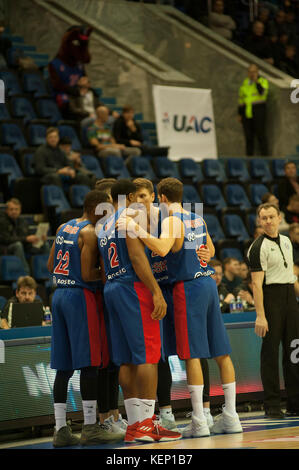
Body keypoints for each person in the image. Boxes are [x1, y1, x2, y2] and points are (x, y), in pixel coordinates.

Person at [119, 177, 243, 436]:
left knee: (192, 355)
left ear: (161, 197)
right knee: (222, 353)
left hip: (188, 287)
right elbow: (208, 247)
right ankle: (230, 416)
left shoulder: (172, 219)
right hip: (208, 282)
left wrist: (135, 228)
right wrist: (206, 254)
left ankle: (199, 420)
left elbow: (163, 249)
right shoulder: (197, 217)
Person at [97, 179, 182, 443]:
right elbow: (136, 257)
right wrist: (156, 291)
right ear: (131, 195)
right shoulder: (130, 214)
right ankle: (147, 424)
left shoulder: (105, 223)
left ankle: (134, 424)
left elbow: (103, 267)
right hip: (133, 288)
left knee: (126, 359)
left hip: (112, 287)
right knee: (147, 356)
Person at [47, 189, 124, 447]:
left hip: (59, 295)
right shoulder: (89, 232)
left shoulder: (63, 227)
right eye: (107, 212)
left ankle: (60, 429)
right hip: (81, 297)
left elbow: (50, 266)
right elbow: (88, 274)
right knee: (90, 363)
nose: (108, 218)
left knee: (64, 366)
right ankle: (90, 427)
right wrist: (110, 273)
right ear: (95, 210)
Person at [247, 202, 299, 418]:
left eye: (271, 217)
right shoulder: (257, 247)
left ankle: (295, 403)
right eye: (263, 218)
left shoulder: (287, 240)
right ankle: (272, 405)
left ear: (279, 218)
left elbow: (291, 274)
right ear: (259, 221)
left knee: (294, 351)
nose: (268, 221)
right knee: (270, 354)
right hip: (271, 299)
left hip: (290, 298)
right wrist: (261, 315)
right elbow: (257, 285)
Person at [93, 178, 127, 436]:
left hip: (111, 290)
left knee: (115, 360)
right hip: (101, 295)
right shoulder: (100, 227)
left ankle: (115, 413)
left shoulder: (114, 224)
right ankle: (104, 416)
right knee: (105, 361)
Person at [0, 198, 49, 275]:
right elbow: (5, 239)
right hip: (6, 248)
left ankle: (49, 272)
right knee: (18, 245)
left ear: (20, 210)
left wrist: (38, 239)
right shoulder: (2, 221)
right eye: (11, 209)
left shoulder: (23, 222)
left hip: (24, 246)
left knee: (45, 245)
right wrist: (25, 239)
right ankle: (26, 274)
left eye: (16, 209)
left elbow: (27, 237)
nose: (14, 211)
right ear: (6, 210)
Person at [238, 63, 269, 157]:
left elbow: (262, 92)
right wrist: (239, 114)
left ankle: (265, 158)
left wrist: (257, 82)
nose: (252, 74)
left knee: (261, 135)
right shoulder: (245, 82)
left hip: (259, 111)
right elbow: (241, 99)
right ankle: (249, 159)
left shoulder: (262, 81)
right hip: (247, 113)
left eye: (254, 72)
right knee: (248, 137)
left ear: (257, 72)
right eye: (250, 72)